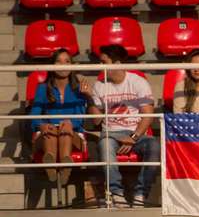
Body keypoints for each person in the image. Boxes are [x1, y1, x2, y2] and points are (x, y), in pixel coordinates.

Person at [85, 44, 160, 208]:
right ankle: (116, 192)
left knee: (154, 146)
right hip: (110, 134)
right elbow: (97, 121)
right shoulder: (99, 85)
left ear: (117, 63)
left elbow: (148, 113)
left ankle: (141, 193)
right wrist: (90, 99)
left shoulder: (138, 81)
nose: (100, 66)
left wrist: (133, 137)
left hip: (135, 133)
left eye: (104, 62)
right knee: (104, 145)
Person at [29, 48, 89, 184]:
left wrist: (71, 124)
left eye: (67, 61)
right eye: (58, 61)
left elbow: (80, 117)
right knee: (51, 130)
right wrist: (41, 124)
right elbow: (34, 116)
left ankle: (64, 163)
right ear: (52, 65)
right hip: (47, 132)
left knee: (66, 128)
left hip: (72, 133)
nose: (63, 65)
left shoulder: (78, 88)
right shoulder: (42, 88)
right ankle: (53, 161)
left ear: (72, 66)